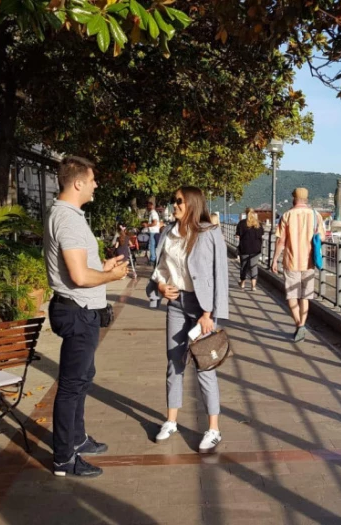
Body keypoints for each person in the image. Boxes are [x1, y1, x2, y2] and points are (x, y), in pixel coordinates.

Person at [44, 156, 129, 477]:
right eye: (92, 180)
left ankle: (77, 439)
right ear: (78, 183)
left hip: (79, 310)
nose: (96, 185)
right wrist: (111, 276)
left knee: (82, 378)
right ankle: (64, 458)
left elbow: (78, 267)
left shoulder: (67, 216)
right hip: (78, 311)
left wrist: (103, 268)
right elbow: (79, 276)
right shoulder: (68, 220)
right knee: (71, 385)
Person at [147, 187, 229, 454]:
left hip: (201, 307)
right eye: (173, 201)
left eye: (179, 201)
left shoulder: (209, 232)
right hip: (176, 304)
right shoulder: (168, 233)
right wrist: (161, 286)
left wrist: (210, 314)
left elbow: (219, 275)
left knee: (205, 366)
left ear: (192, 203)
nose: (175, 205)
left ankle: (213, 428)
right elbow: (160, 267)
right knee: (174, 363)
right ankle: (171, 421)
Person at [270, 188, 322, 342]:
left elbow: (281, 241)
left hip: (291, 261)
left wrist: (274, 259)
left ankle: (299, 325)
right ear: (306, 199)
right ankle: (302, 324)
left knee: (292, 295)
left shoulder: (287, 215)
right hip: (309, 262)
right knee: (305, 296)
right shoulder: (316, 215)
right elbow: (321, 237)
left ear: (294, 198)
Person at [236, 208, 264, 291]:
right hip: (256, 248)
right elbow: (261, 234)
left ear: (245, 213)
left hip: (244, 247)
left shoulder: (241, 223)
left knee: (243, 266)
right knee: (253, 266)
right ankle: (253, 286)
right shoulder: (258, 224)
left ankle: (242, 284)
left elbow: (238, 235)